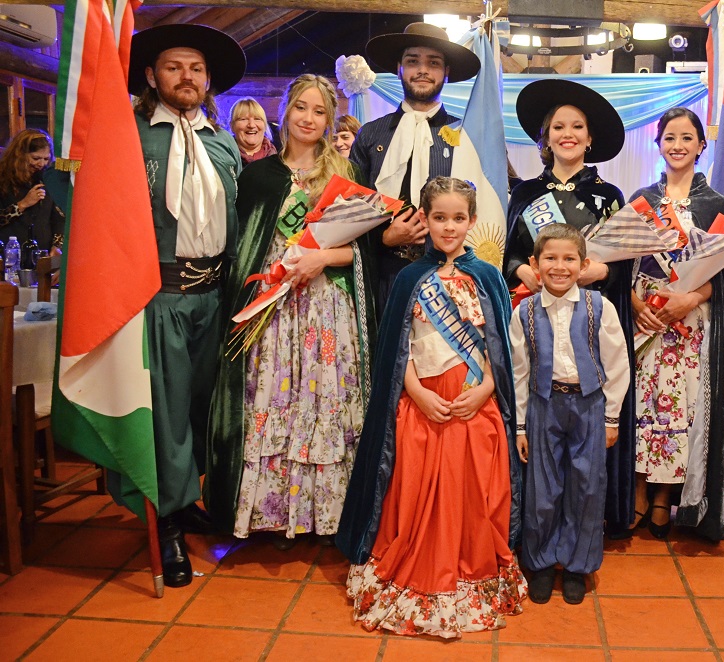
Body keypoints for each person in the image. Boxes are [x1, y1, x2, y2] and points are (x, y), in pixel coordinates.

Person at [336, 177, 525, 638]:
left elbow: (501, 347)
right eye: (439, 217)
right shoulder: (408, 278)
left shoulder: (489, 277)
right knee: (415, 487)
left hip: (472, 401)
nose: (449, 227)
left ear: (472, 221)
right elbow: (396, 347)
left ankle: (468, 567)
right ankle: (418, 565)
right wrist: (417, 393)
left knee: (472, 487)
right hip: (422, 401)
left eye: (458, 218)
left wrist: (485, 389)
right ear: (425, 219)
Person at [205, 74, 374, 548]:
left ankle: (325, 514)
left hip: (325, 307)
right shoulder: (258, 176)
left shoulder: (346, 175)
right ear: (285, 110)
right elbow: (244, 245)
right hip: (273, 308)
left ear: (330, 120)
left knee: (321, 401)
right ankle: (272, 515)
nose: (308, 118)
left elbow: (362, 251)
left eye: (320, 111)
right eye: (301, 107)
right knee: (273, 399)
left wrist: (321, 258)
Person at [128, 23, 245, 587]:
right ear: (153, 77)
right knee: (167, 412)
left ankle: (185, 497)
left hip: (215, 298)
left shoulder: (223, 143)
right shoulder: (132, 138)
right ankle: (167, 521)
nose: (187, 77)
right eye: (174, 67)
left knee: (203, 408)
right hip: (161, 296)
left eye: (196, 69)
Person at [503, 78, 637, 538]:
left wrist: (602, 272)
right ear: (546, 136)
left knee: (585, 443)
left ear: (590, 137)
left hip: (589, 321)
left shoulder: (609, 196)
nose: (568, 134)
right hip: (536, 314)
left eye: (577, 126)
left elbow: (623, 264)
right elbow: (510, 255)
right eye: (558, 126)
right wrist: (523, 271)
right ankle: (537, 528)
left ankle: (586, 526)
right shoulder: (523, 194)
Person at [623, 108, 724, 543]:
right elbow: (620, 263)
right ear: (658, 144)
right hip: (646, 322)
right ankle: (637, 491)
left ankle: (663, 497)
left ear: (701, 145)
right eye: (669, 137)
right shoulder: (641, 200)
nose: (677, 145)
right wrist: (636, 305)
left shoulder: (717, 205)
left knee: (680, 411)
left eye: (687, 137)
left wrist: (691, 298)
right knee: (641, 407)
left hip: (689, 325)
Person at [511, 224, 630, 604]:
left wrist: (611, 418)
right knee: (543, 490)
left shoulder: (600, 307)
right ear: (535, 264)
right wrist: (520, 426)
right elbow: (519, 372)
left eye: (569, 259)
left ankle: (577, 566)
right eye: (550, 258)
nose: (559, 267)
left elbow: (617, 364)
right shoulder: (524, 311)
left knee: (586, 487)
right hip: (543, 405)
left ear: (584, 265)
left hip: (589, 406)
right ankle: (543, 563)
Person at [350, 22, 481, 320]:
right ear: (399, 68)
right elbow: (350, 211)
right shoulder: (370, 135)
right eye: (413, 61)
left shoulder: (467, 133)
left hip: (449, 277)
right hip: (383, 276)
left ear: (446, 71)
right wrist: (384, 238)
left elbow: (486, 205)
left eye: (433, 63)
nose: (422, 70)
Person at [0, 129, 65, 257]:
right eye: (36, 158)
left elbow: (59, 219)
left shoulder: (48, 179)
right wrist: (22, 204)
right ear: (20, 155)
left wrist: (57, 246)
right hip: (10, 256)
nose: (41, 164)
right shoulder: (3, 179)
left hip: (43, 255)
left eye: (46, 159)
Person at [228, 97, 277, 165]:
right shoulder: (223, 156)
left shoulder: (279, 159)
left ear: (265, 125)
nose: (251, 125)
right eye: (243, 119)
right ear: (232, 126)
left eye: (257, 119)